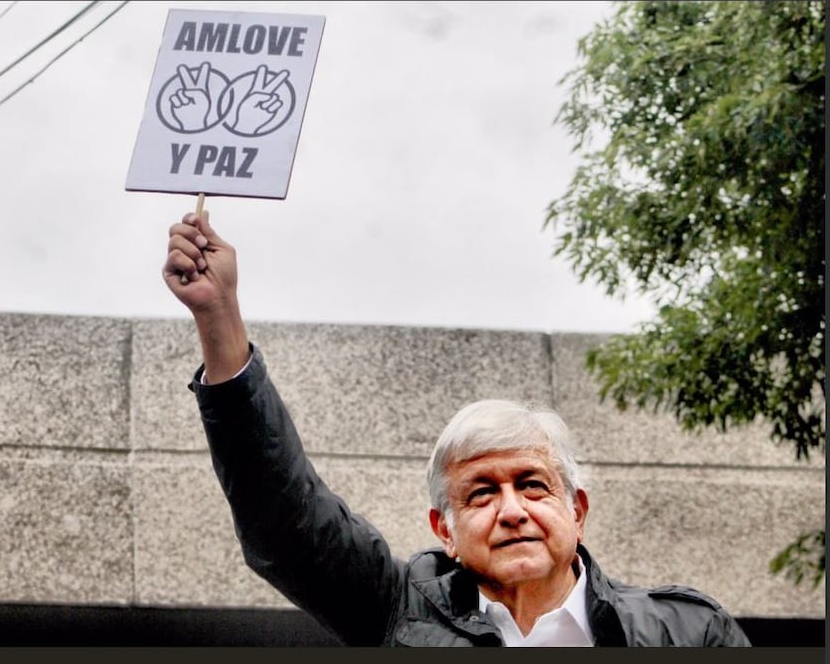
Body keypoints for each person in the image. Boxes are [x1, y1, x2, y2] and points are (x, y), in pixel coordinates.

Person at [162, 210, 752, 647]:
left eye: (534, 485)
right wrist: (219, 316)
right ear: (445, 529)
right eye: (482, 493)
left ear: (578, 510)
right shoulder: (395, 611)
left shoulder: (688, 633)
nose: (513, 510)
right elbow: (285, 517)